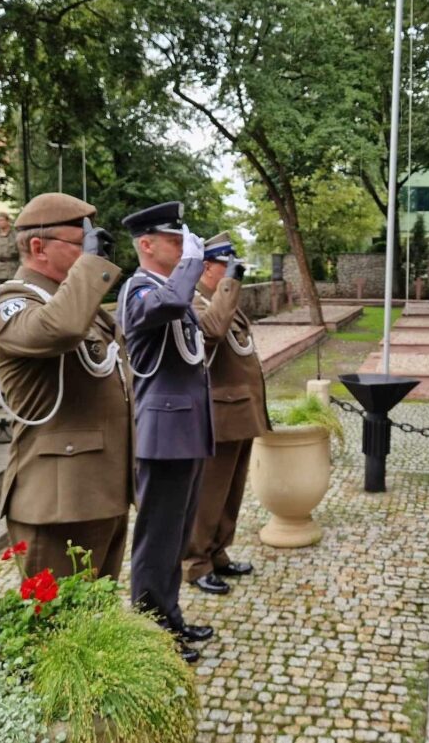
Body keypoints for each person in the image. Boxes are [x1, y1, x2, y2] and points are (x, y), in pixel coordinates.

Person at [0, 192, 132, 583]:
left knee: (95, 622)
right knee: (59, 632)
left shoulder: (76, 303)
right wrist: (93, 265)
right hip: (58, 500)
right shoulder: (13, 301)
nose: (91, 253)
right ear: (38, 247)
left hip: (101, 488)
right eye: (80, 244)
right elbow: (61, 329)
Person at [118, 201, 215, 664]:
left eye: (184, 242)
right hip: (164, 434)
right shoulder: (139, 290)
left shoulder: (166, 287)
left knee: (175, 536)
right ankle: (151, 631)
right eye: (174, 241)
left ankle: (169, 615)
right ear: (146, 244)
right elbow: (173, 303)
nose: (183, 247)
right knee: (157, 539)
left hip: (186, 430)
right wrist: (194, 262)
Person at [184, 232, 270, 596]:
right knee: (209, 495)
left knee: (231, 492)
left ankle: (218, 552)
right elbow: (211, 334)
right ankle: (195, 562)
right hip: (217, 415)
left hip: (239, 412)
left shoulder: (221, 298)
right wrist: (228, 287)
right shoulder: (194, 301)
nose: (233, 273)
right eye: (226, 266)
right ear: (207, 267)